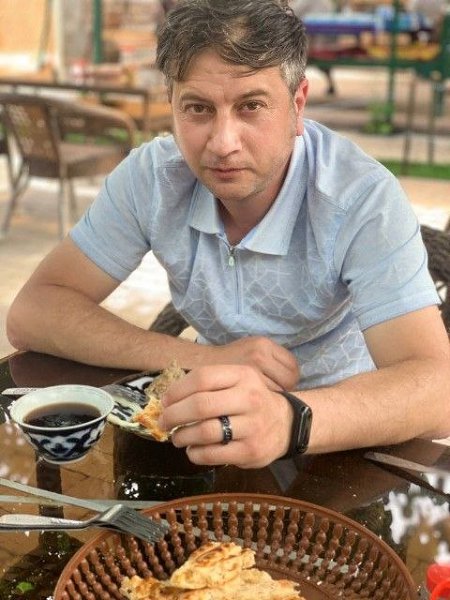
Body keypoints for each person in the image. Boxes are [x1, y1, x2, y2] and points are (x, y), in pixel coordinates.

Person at [6, 0, 450, 469]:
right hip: (204, 428)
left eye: (251, 106)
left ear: (297, 104)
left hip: (342, 439)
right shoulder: (153, 179)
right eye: (197, 109)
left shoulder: (360, 197)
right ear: (171, 105)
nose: (223, 143)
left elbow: (438, 390)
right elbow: (34, 312)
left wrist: (288, 419)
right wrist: (206, 358)